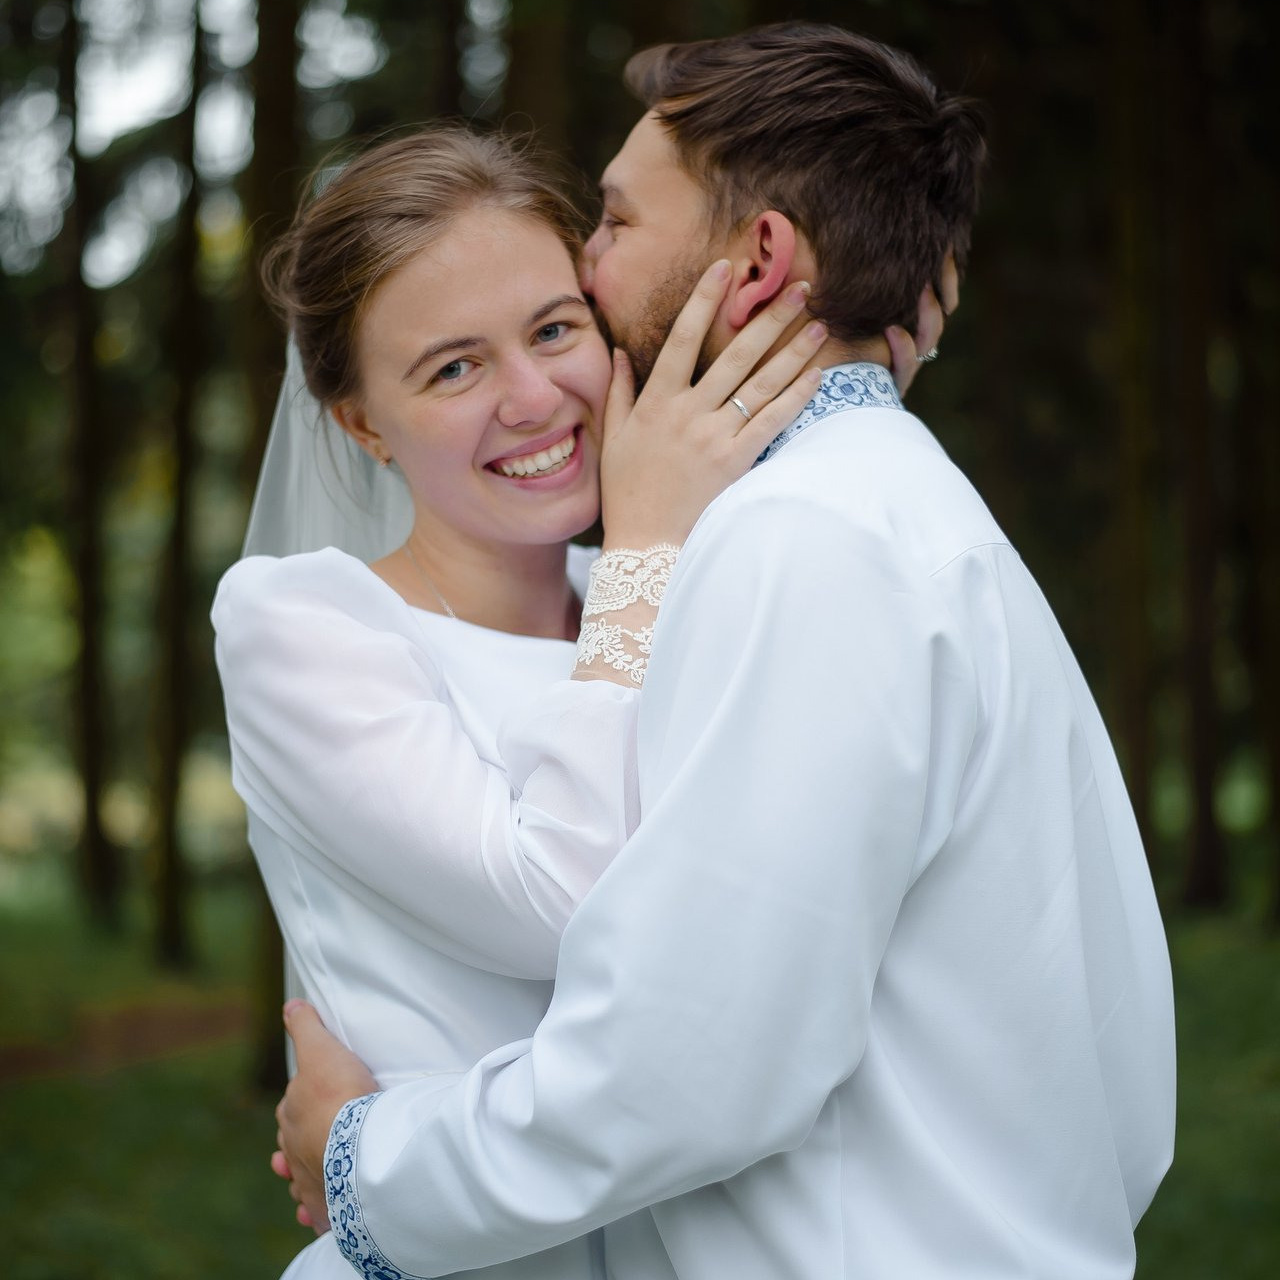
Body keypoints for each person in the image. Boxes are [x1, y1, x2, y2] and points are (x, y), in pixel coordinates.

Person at [275, 22, 1177, 1280]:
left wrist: (365, 1161)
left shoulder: (801, 542)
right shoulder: (887, 508)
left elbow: (686, 1065)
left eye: (614, 222)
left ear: (755, 259)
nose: (587, 269)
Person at [213, 124, 830, 1280]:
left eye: (554, 330)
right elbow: (563, 899)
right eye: (453, 367)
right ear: (359, 424)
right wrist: (647, 537)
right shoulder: (303, 625)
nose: (534, 395)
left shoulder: (647, 595)